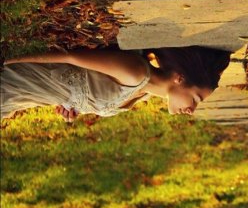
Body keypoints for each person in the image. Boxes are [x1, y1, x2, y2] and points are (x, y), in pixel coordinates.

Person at [1, 46, 231, 122]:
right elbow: (70, 58)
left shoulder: (143, 94)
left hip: (20, 98)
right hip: (13, 82)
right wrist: (11, 60)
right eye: (196, 99)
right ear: (179, 78)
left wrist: (70, 106)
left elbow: (84, 87)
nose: (191, 111)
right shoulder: (136, 73)